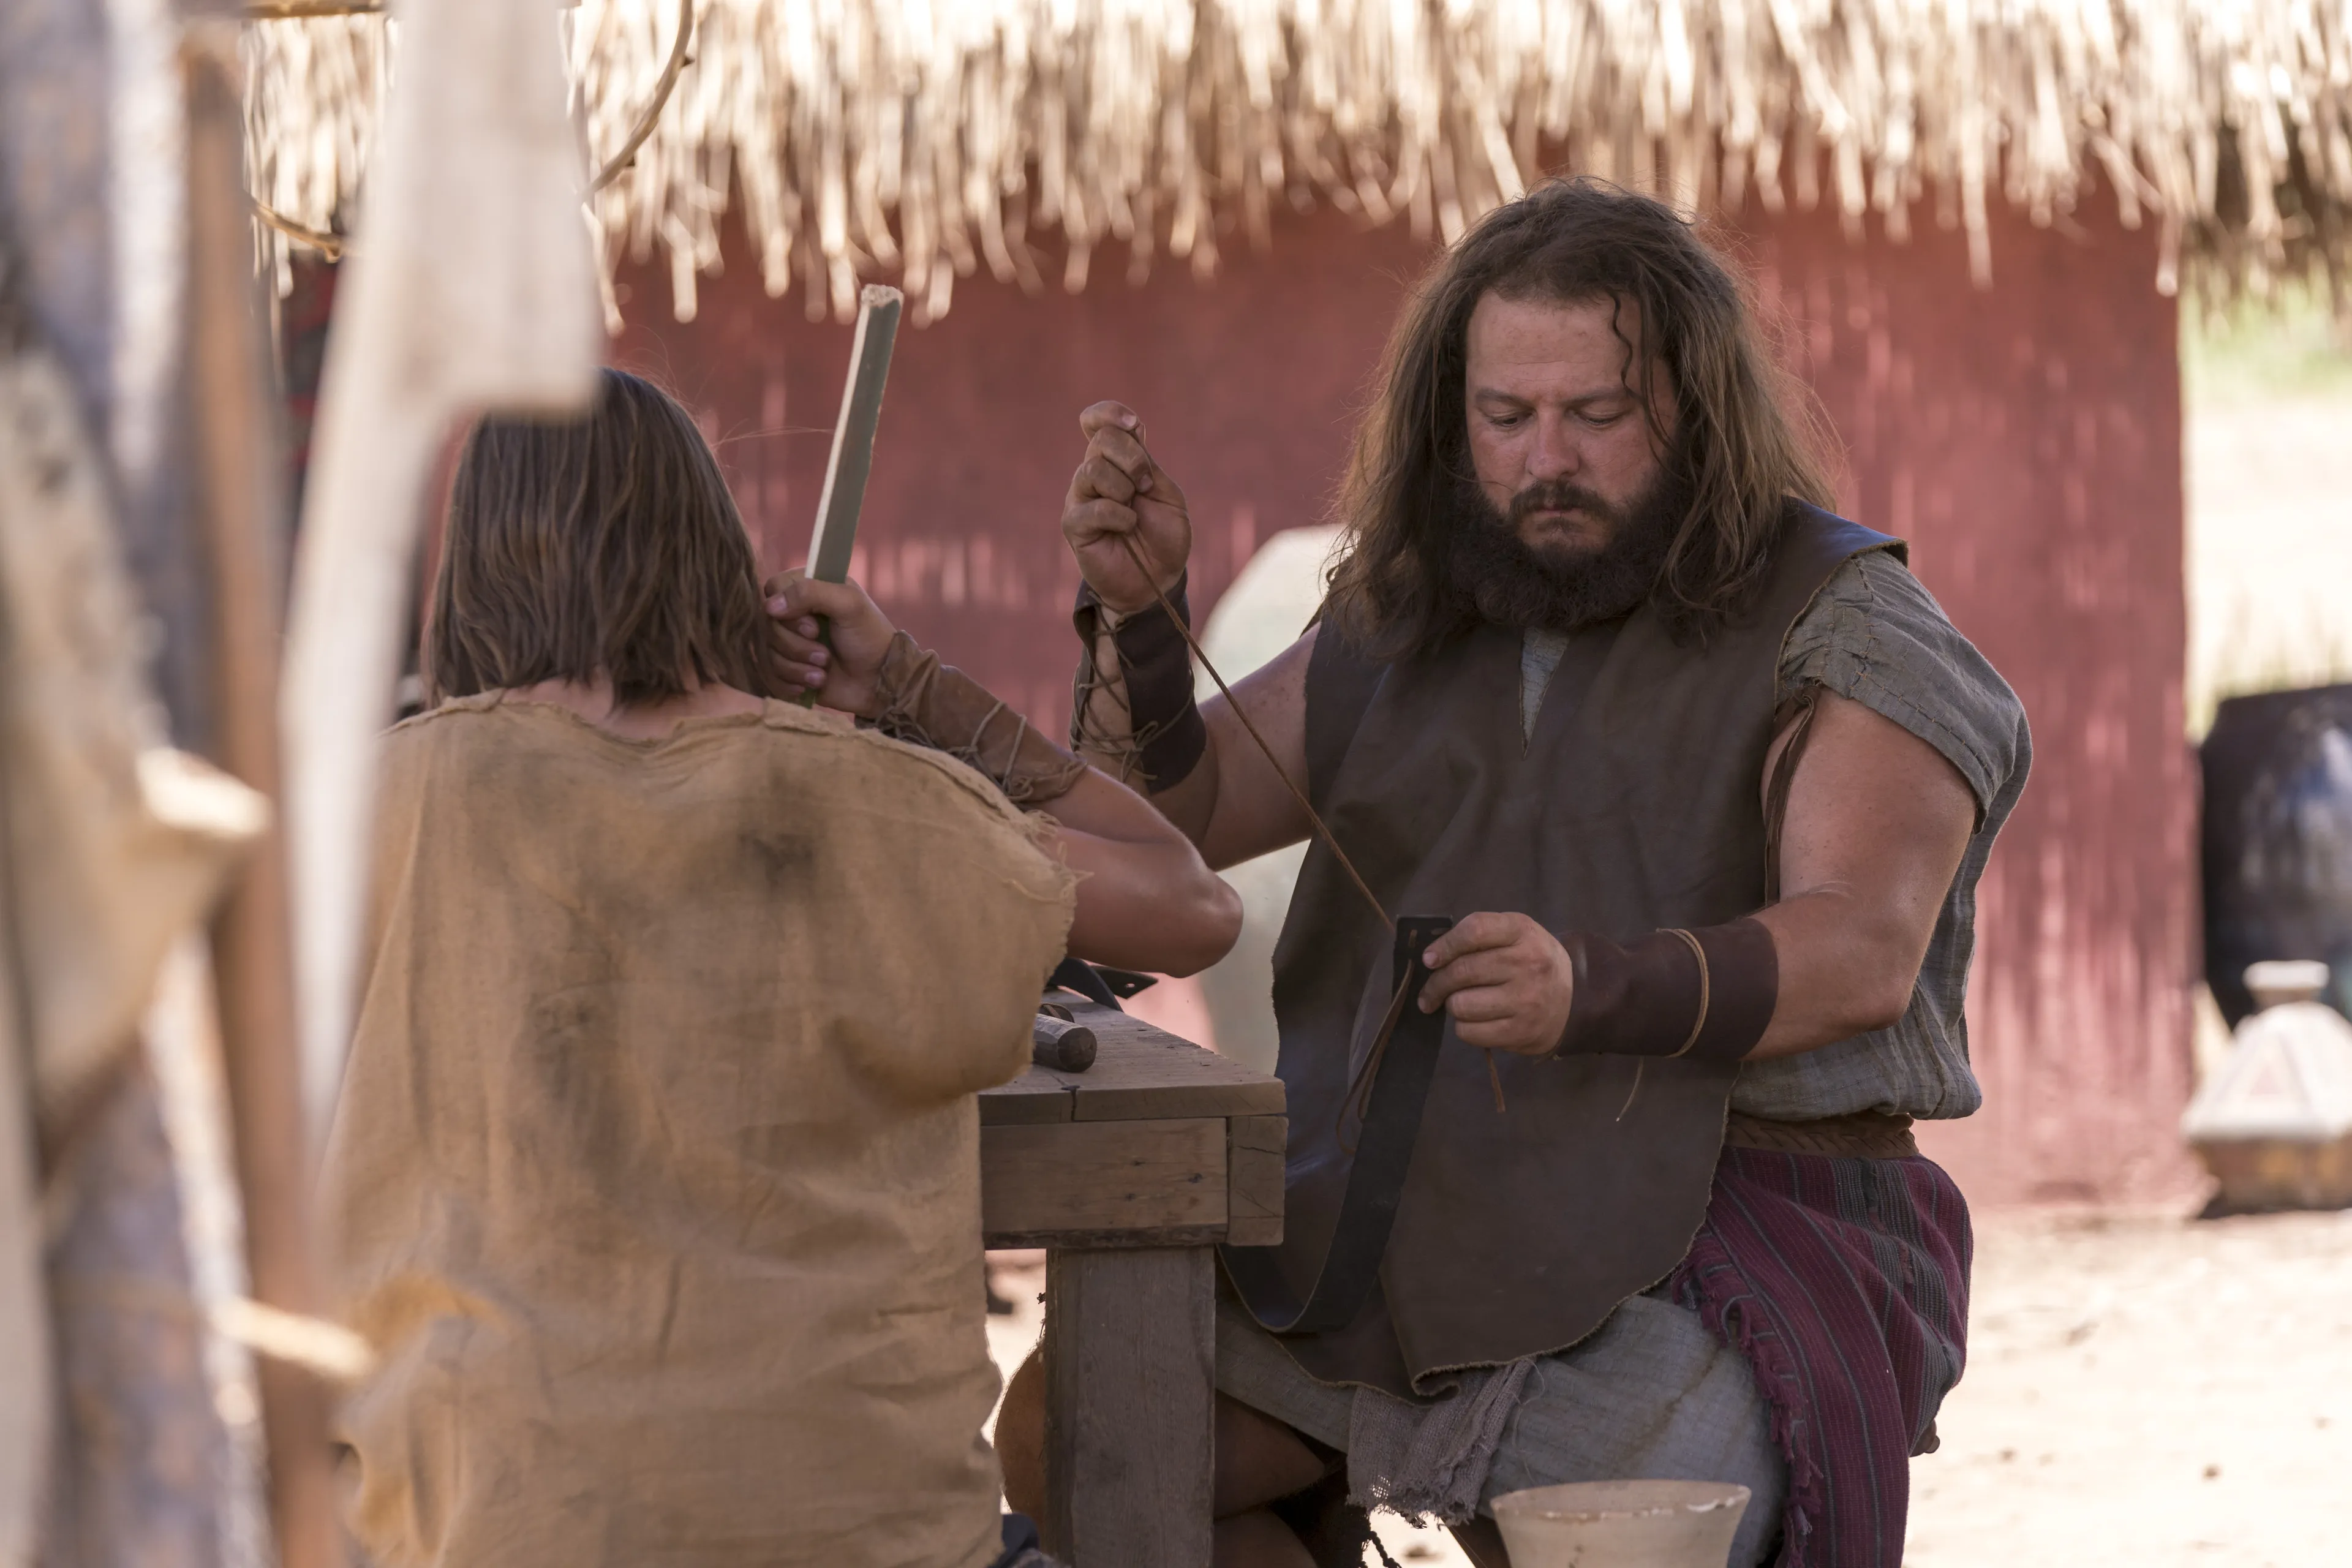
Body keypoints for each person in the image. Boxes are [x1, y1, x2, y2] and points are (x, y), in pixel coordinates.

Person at [987, 178, 2030, 1567]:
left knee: (1617, 1537)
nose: (1548, 459)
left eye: (1598, 413)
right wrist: (1140, 616)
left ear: (1698, 411)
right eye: (1505, 416)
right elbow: (1187, 813)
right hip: (1408, 1212)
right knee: (1087, 1430)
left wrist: (1590, 986)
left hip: (1725, 1228)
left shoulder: (1851, 624)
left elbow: (1860, 948)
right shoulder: (1411, 609)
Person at [321, 368, 1239, 1568]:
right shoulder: (876, 800)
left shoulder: (367, 810)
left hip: (492, 1533)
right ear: (719, 561)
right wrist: (903, 679)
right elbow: (1189, 901)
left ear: (472, 569)